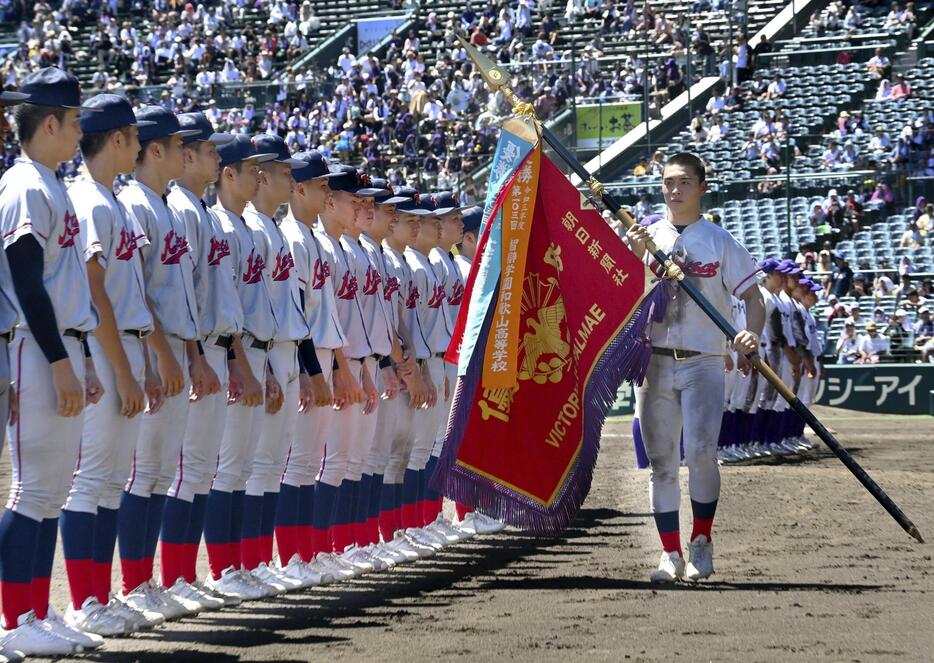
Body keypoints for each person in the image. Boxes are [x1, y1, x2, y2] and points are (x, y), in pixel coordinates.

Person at [0, 67, 102, 657]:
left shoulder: (49, 183)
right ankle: (15, 618)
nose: (79, 130)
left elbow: (62, 290)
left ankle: (34, 611)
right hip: (35, 346)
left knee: (51, 493)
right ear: (51, 123)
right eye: (74, 120)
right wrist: (60, 358)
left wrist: (78, 358)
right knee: (32, 490)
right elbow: (26, 283)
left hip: (59, 344)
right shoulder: (25, 186)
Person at [625, 153, 764, 583]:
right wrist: (631, 258)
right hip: (655, 362)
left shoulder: (719, 240)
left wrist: (749, 335)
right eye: (668, 182)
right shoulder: (644, 238)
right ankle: (669, 553)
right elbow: (624, 297)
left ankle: (700, 540)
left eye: (684, 182)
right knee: (663, 461)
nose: (674, 190)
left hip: (704, 360)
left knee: (702, 453)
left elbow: (754, 299)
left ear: (702, 187)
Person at [59, 94, 156, 639]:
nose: (139, 145)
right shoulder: (91, 201)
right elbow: (95, 291)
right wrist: (120, 370)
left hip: (123, 346)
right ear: (115, 139)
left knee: (111, 480)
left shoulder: (108, 199)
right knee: (90, 479)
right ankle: (83, 601)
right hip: (102, 348)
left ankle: (99, 595)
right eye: (134, 136)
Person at [116, 105, 202, 622]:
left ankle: (145, 583)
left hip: (171, 349)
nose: (185, 152)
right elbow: (135, 292)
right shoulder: (134, 205)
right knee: (140, 473)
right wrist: (162, 354)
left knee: (158, 472)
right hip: (149, 349)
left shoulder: (164, 205)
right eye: (177, 144)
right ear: (155, 150)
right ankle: (132, 584)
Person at [160, 112, 237, 608]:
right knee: (183, 469)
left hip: (209, 346)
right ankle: (173, 578)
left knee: (200, 467)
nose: (217, 157)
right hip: (190, 348)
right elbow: (180, 293)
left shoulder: (198, 211)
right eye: (210, 150)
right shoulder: (181, 210)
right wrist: (194, 357)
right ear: (185, 154)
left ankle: (183, 577)